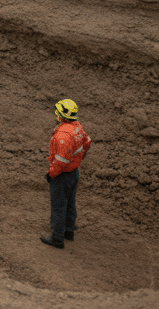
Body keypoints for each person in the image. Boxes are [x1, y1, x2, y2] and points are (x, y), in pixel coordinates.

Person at [42, 99, 92, 249]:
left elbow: (61, 161)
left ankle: (57, 238)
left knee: (58, 206)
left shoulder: (63, 135)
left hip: (62, 175)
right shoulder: (77, 127)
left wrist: (51, 174)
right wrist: (77, 161)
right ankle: (69, 231)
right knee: (70, 203)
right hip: (74, 173)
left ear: (61, 115)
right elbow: (87, 142)